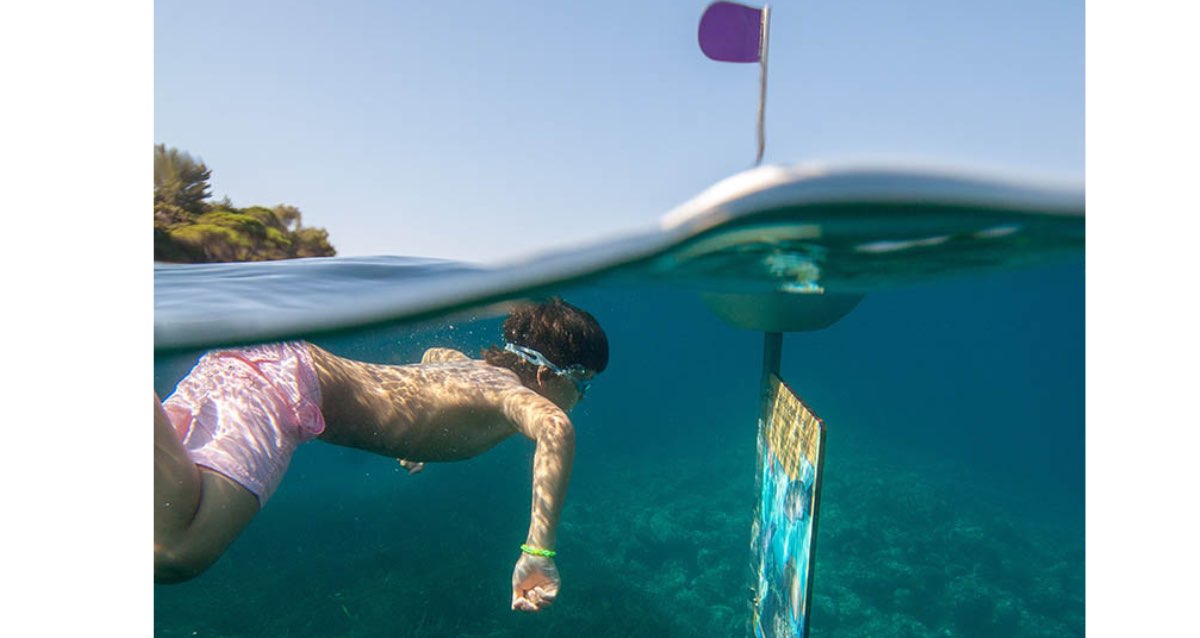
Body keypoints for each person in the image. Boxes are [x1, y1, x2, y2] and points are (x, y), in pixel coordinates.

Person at [154, 297, 608, 613]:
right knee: (177, 553)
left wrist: (426, 436)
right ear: (547, 376)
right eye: (583, 382)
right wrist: (538, 551)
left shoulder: (476, 372)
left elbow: (435, 355)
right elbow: (555, 427)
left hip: (264, 364)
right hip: (283, 384)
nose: (583, 397)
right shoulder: (508, 391)